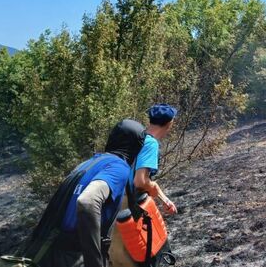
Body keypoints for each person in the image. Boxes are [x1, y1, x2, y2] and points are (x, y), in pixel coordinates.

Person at [24, 119, 147, 267]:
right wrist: (94, 261)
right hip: (73, 257)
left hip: (47, 250)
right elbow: (87, 201)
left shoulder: (88, 163)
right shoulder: (119, 167)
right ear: (136, 147)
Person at [110, 104, 179, 267]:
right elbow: (140, 181)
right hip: (127, 203)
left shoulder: (136, 138)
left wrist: (164, 199)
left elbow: (145, 181)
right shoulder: (151, 144)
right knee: (128, 255)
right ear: (170, 123)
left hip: (114, 197)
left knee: (115, 251)